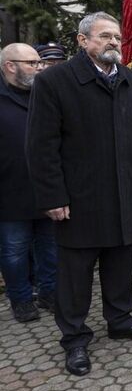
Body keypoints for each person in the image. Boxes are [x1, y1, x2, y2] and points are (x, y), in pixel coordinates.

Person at [27, 12, 132, 376]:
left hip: (124, 194)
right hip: (79, 200)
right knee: (75, 276)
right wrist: (52, 197)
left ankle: (120, 320)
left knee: (121, 266)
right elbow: (42, 146)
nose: (113, 43)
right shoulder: (55, 82)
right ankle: (75, 338)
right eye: (104, 36)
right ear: (82, 40)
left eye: (117, 38)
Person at [0, 44, 56, 323]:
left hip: (47, 189)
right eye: (32, 63)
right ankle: (21, 299)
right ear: (11, 65)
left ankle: (49, 293)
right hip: (9, 194)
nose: (39, 67)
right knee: (13, 252)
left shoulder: (45, 94)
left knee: (51, 247)